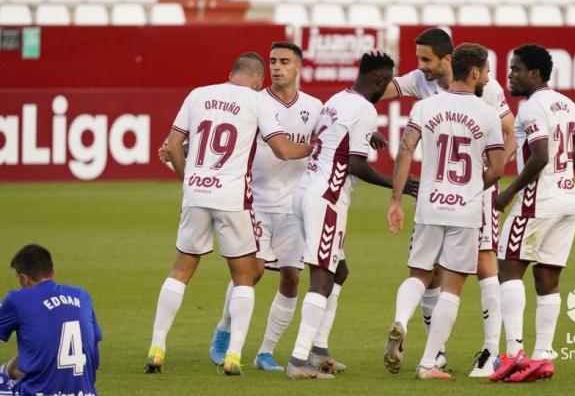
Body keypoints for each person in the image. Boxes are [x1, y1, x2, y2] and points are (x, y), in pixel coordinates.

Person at [144, 52, 313, 376]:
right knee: (245, 276)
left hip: (196, 193)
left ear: (231, 72)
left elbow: (174, 144)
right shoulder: (256, 101)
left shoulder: (199, 94)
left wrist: (188, 179)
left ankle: (157, 346)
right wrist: (314, 147)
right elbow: (284, 150)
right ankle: (233, 354)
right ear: (258, 80)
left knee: (179, 272)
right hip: (232, 198)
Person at [378, 27, 516, 376]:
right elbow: (499, 163)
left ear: (449, 60)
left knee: (420, 273)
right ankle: (431, 360)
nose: (421, 65)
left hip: (429, 199)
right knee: (457, 282)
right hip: (468, 202)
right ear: (476, 72)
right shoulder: (483, 109)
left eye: (426, 59)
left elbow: (405, 150)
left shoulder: (426, 106)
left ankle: (401, 321)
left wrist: (396, 199)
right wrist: (477, 186)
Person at [286, 52, 418, 379]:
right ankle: (299, 359)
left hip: (306, 191)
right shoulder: (365, 109)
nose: (387, 88)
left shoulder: (339, 99)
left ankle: (318, 349)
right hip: (327, 198)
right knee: (322, 275)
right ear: (378, 80)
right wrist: (396, 184)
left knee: (339, 271)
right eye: (386, 81)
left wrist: (366, 137)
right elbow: (355, 164)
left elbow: (335, 137)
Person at [206, 42, 330, 373]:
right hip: (255, 201)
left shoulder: (314, 107)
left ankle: (265, 352)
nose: (277, 67)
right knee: (253, 271)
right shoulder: (254, 101)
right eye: (273, 61)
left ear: (299, 67)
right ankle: (223, 330)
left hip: (295, 206)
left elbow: (335, 136)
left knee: (291, 278)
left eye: (285, 62)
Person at [490, 44, 575, 383]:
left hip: (537, 204)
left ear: (534, 73)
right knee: (547, 279)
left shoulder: (532, 108)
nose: (510, 76)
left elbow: (538, 156)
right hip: (568, 201)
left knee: (508, 269)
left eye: (516, 69)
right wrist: (562, 174)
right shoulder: (565, 102)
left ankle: (514, 352)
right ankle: (542, 357)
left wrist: (508, 192)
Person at [0, 244, 102, 395]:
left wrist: (6, 370)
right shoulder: (82, 296)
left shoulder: (18, 299)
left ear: (24, 278)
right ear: (53, 273)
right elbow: (94, 357)